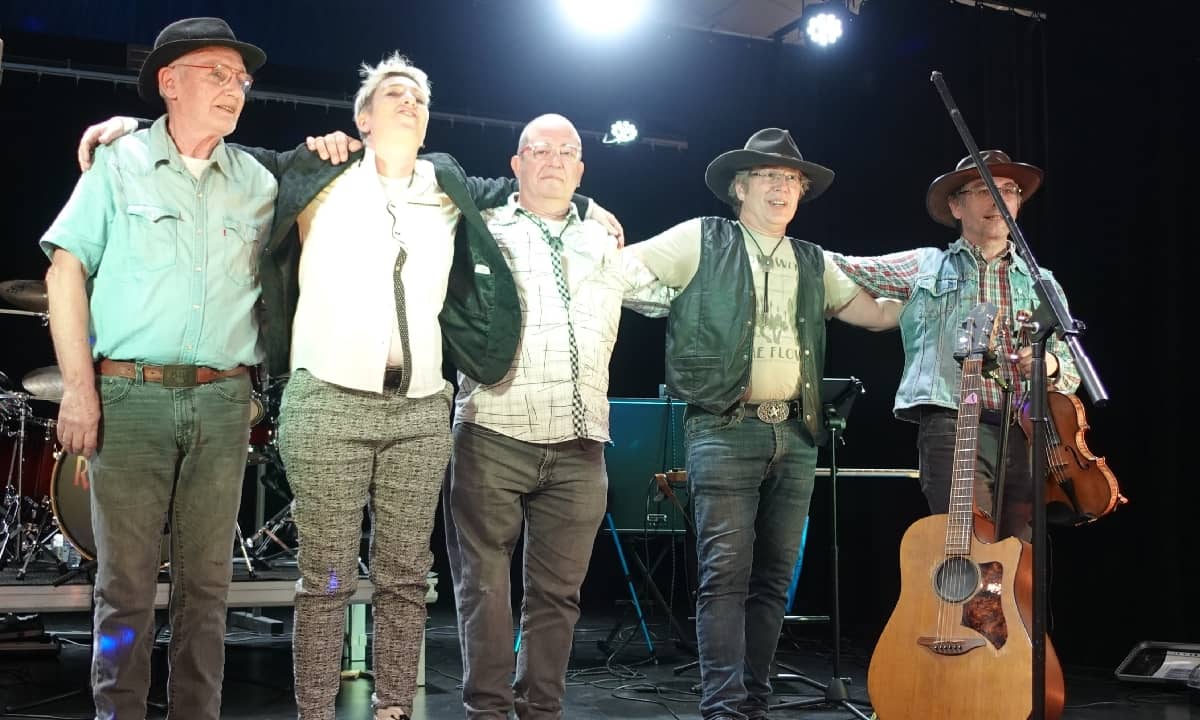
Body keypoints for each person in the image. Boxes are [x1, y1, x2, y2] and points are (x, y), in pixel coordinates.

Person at [81, 54, 619, 720]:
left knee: (403, 580)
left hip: (419, 412)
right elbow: (219, 148)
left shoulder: (447, 183)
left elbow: (532, 188)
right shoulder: (317, 171)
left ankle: (393, 708)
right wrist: (135, 126)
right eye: (394, 93)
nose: (410, 102)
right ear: (362, 119)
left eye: (420, 97)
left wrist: (591, 203)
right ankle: (316, 710)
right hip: (327, 404)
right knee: (327, 579)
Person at [41, 17, 274, 720]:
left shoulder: (259, 181)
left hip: (222, 401)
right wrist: (79, 390)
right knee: (125, 587)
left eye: (241, 79)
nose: (234, 89)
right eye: (217, 74)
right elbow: (65, 271)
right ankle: (119, 712)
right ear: (168, 83)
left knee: (208, 586)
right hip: (129, 397)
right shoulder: (120, 162)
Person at [625, 128, 900, 720]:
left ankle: (753, 697)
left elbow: (875, 314)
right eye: (770, 177)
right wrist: (656, 297)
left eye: (792, 180)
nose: (783, 188)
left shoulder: (812, 259)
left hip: (796, 434)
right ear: (740, 186)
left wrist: (934, 291)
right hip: (723, 426)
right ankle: (724, 704)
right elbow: (621, 274)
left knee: (775, 577)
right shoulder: (703, 238)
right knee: (726, 573)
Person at [444, 113, 672, 720]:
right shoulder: (480, 228)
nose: (551, 160)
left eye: (565, 151)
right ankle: (487, 710)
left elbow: (662, 292)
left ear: (580, 168)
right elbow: (438, 177)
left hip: (581, 444)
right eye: (537, 150)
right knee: (484, 587)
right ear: (515, 164)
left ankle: (540, 709)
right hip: (494, 430)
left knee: (558, 595)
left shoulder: (606, 241)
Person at [831, 150, 1080, 539]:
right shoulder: (926, 265)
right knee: (970, 548)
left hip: (1026, 433)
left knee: (1021, 559)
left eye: (1008, 190)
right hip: (952, 423)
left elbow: (1071, 364)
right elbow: (842, 265)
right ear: (956, 205)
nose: (998, 200)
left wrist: (1048, 363)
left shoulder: (1041, 281)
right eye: (983, 189)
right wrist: (783, 248)